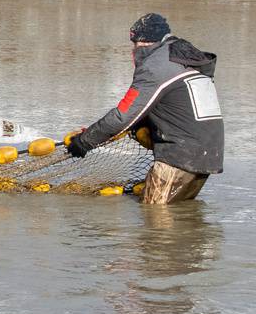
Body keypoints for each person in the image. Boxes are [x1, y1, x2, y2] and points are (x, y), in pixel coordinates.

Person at [65, 12, 223, 204]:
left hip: (179, 157)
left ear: (144, 43)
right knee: (182, 222)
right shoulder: (184, 57)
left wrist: (85, 140)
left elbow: (123, 116)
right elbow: (176, 106)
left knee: (155, 220)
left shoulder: (156, 66)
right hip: (208, 155)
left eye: (134, 45)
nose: (133, 51)